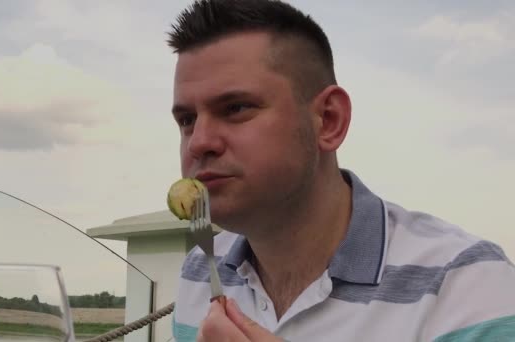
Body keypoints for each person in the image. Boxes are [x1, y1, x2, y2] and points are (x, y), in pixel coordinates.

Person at [166, 0, 515, 341]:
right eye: (187, 120)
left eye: (236, 108)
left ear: (329, 121)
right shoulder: (199, 274)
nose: (198, 142)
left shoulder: (463, 285)